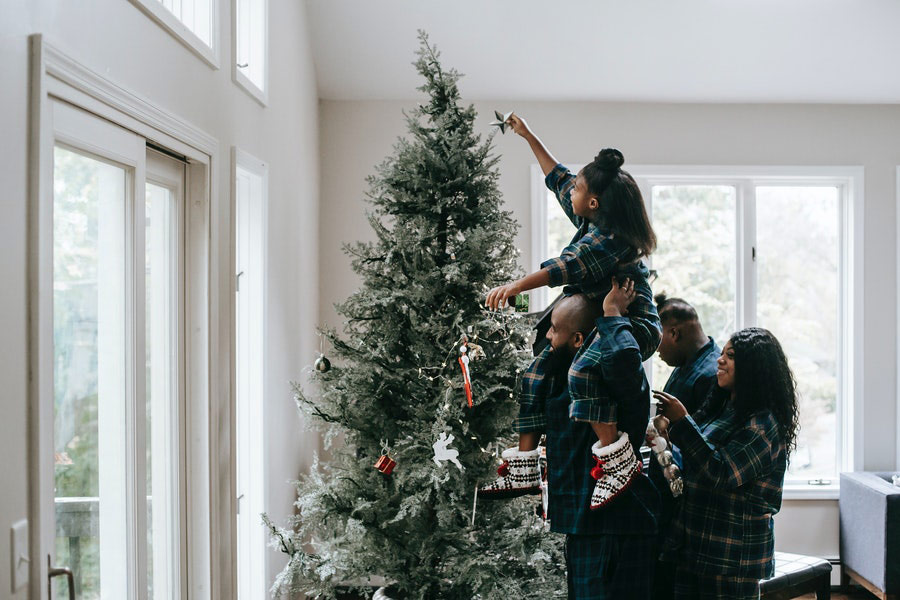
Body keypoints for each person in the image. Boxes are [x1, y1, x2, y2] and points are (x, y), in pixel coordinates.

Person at [482, 114, 660, 508]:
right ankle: (523, 468)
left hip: (633, 323)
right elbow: (558, 177)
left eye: (580, 189)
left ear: (593, 202)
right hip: (603, 316)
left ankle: (618, 459)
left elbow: (560, 269)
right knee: (536, 372)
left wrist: (514, 288)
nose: (572, 192)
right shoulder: (592, 213)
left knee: (582, 371)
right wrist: (529, 135)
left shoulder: (607, 241)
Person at [519, 291, 661, 599]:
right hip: (584, 525)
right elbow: (541, 356)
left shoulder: (614, 380)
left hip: (615, 528)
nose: (547, 335)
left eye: (555, 329)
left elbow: (624, 357)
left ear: (579, 339)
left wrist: (612, 315)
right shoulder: (560, 379)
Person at [653, 328, 799, 600]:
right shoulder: (723, 410)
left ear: (754, 368)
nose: (720, 360)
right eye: (722, 354)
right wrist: (667, 441)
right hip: (695, 545)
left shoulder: (763, 423)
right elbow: (698, 462)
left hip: (730, 558)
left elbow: (722, 473)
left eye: (730, 356)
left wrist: (683, 422)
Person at [649, 294, 720, 599]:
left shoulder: (709, 375)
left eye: (658, 340)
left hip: (684, 501)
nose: (656, 350)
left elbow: (702, 444)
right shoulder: (688, 362)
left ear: (674, 333)